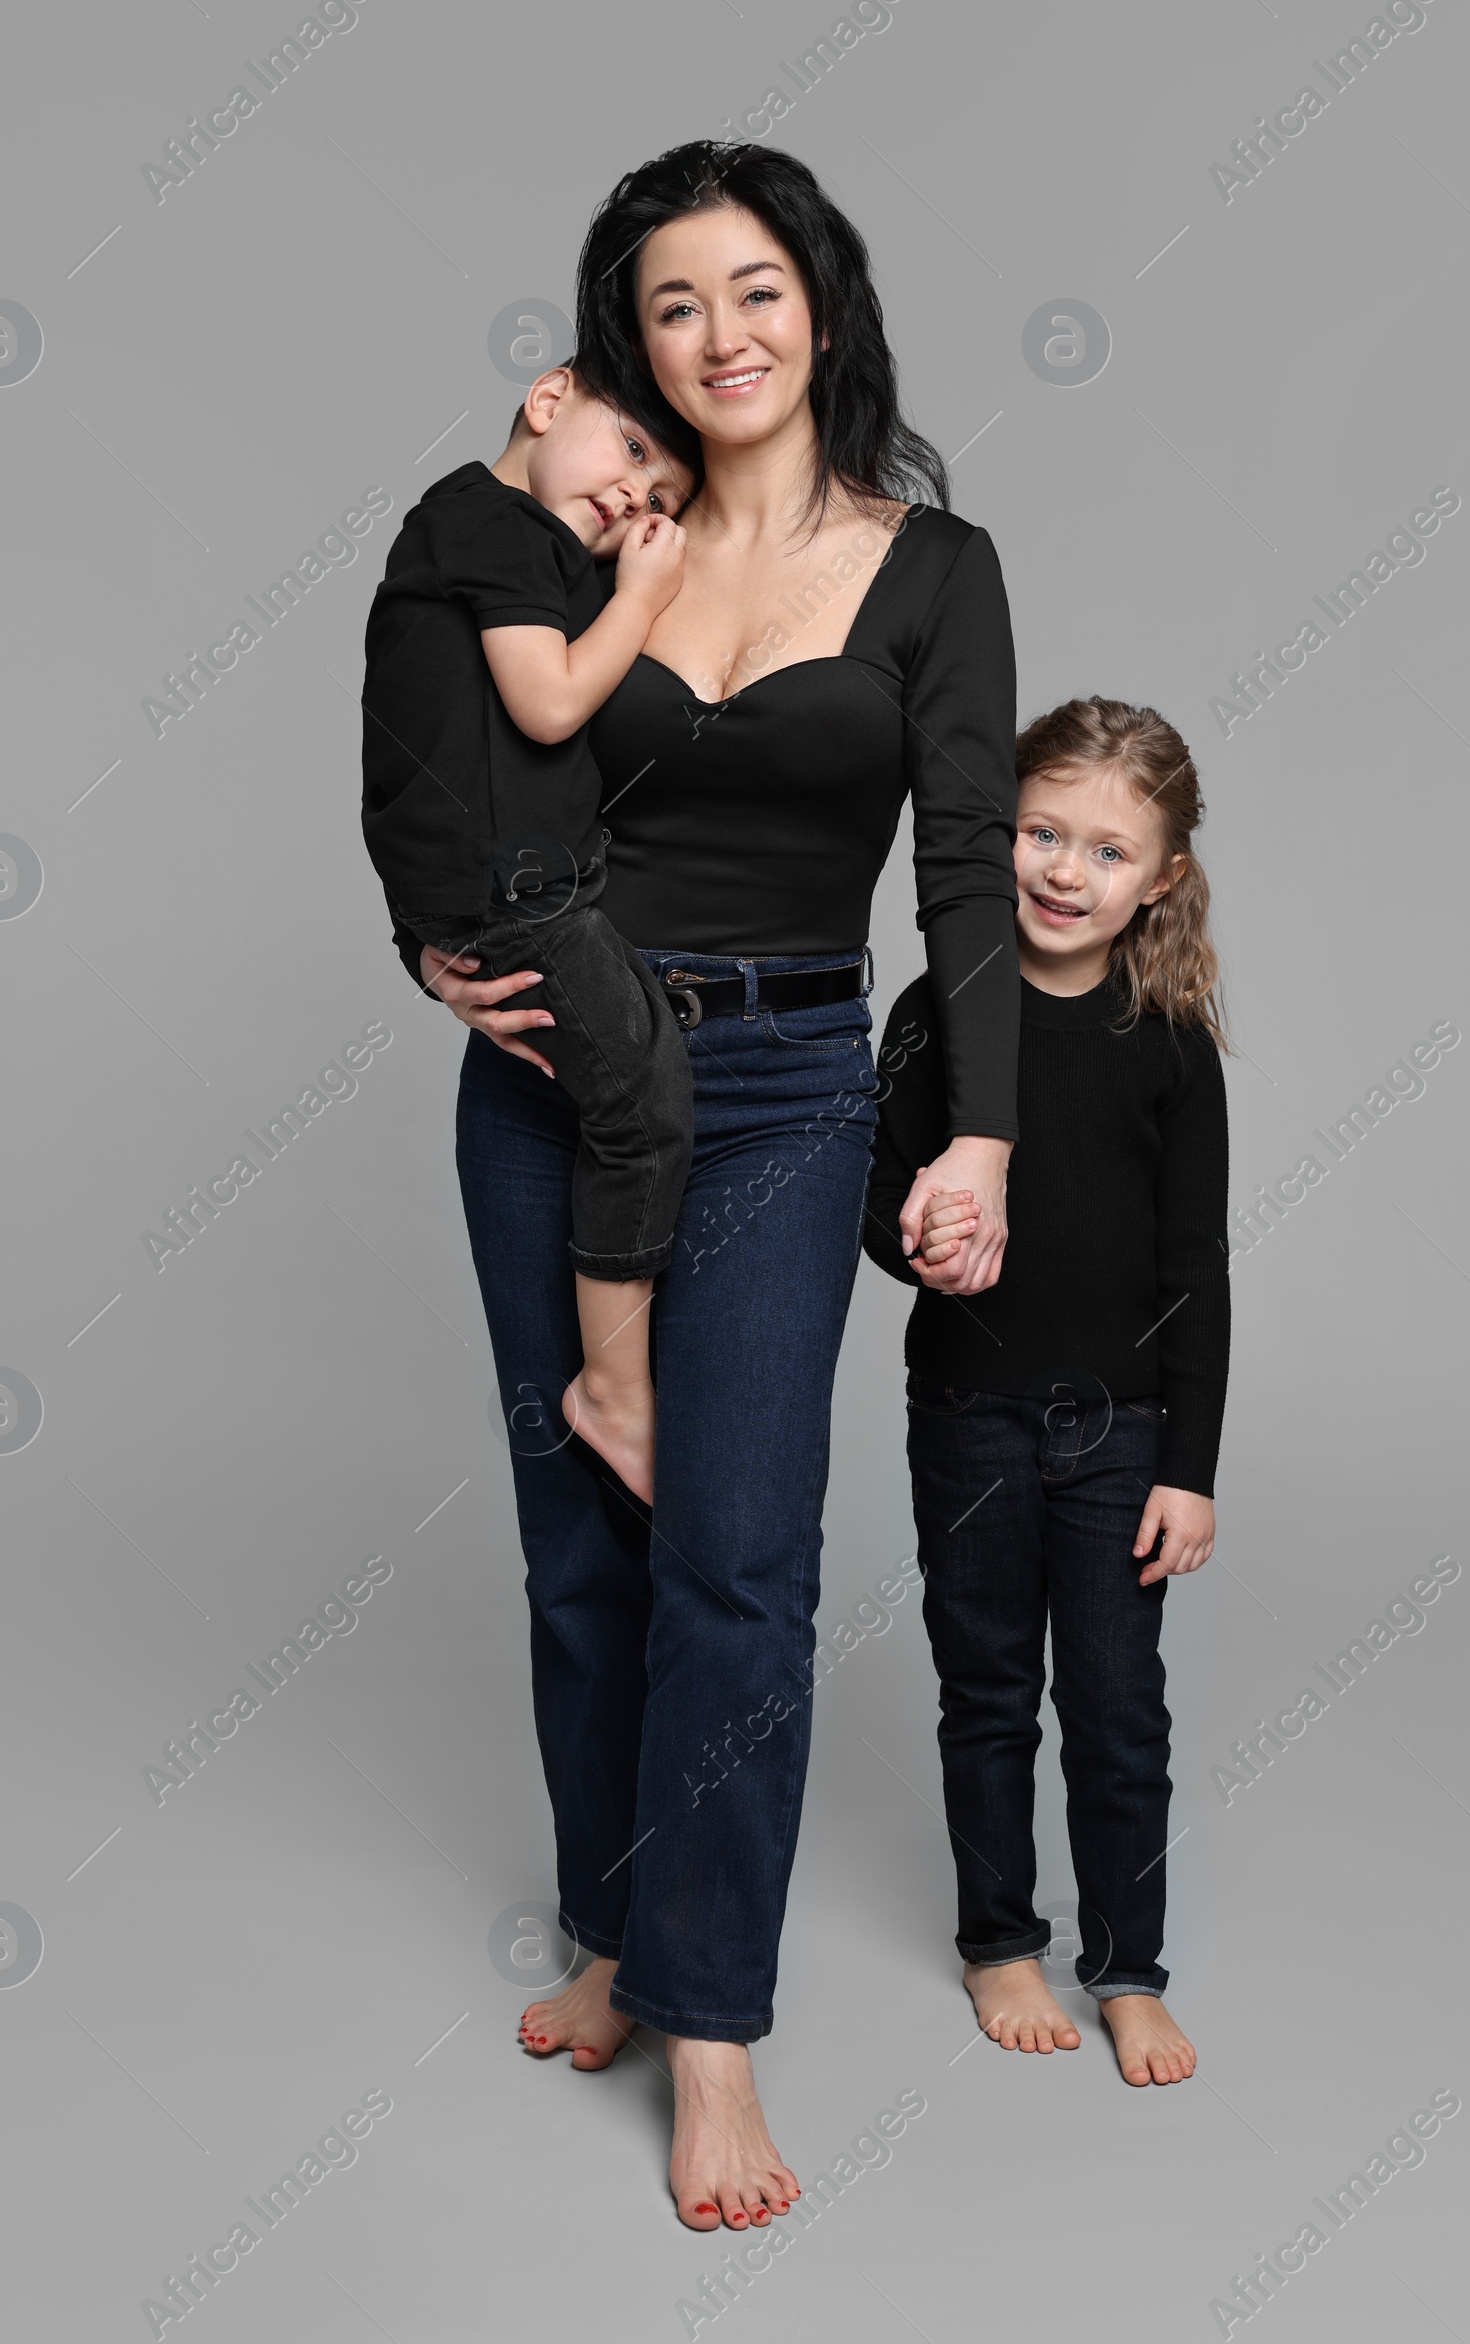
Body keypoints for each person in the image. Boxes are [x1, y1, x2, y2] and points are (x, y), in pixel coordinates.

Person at [394, 140, 1020, 2229]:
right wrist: (425, 939)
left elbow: (957, 882)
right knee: (579, 1552)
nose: (719, 336)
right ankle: (609, 1936)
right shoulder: (578, 537)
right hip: (559, 1066)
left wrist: (982, 1131)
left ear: (817, 309)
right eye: (672, 303)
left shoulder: (933, 569)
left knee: (732, 1562)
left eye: (753, 290)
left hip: (774, 1087)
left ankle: (713, 2030)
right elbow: (441, 727)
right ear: (623, 342)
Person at [863, 696, 1230, 2086]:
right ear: (994, 835)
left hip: (1124, 1431)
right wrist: (919, 1235)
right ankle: (999, 1941)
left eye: (1108, 850)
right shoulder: (937, 1010)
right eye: (1042, 833)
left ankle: (1127, 1965)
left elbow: (1198, 1263)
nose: (1066, 872)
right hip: (968, 1421)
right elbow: (875, 1195)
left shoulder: (1169, 1040)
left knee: (1121, 1709)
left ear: (1162, 878)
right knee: (989, 1693)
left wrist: (1188, 1466)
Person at [361, 367, 698, 1500]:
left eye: (663, 498)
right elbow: (549, 703)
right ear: (550, 398)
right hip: (518, 896)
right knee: (646, 1110)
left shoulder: (502, 540)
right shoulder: (490, 526)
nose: (637, 500)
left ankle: (613, 1380)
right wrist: (643, 600)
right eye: (635, 447)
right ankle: (611, 1391)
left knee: (633, 1069)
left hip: (509, 888)